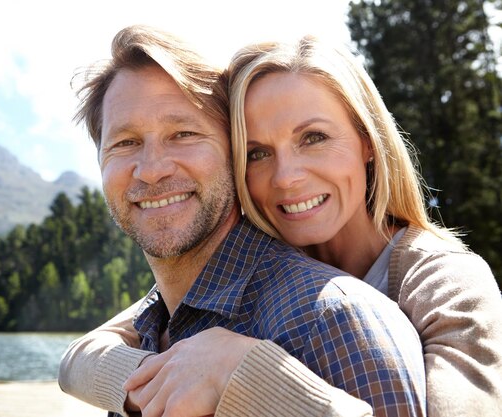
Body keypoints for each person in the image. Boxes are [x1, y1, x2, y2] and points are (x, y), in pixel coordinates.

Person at [59, 32, 502, 417]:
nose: (286, 177)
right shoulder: (238, 281)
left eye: (314, 138)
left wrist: (246, 371)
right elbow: (81, 356)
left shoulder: (444, 283)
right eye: (257, 152)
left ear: (368, 142)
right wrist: (154, 381)